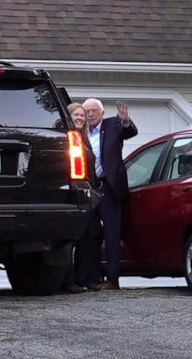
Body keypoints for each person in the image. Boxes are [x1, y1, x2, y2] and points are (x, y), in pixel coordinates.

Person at [82, 98, 138, 290]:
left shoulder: (113, 124)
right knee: (91, 233)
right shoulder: (81, 133)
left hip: (109, 186)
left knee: (112, 233)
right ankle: (95, 277)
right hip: (89, 187)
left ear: (102, 112)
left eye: (94, 111)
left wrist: (125, 121)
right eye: (87, 111)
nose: (90, 114)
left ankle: (112, 280)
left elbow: (129, 131)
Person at [61, 102, 103, 293]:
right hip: (69, 194)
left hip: (89, 196)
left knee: (91, 236)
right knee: (69, 241)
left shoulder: (84, 139)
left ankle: (84, 278)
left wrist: (96, 188)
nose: (80, 118)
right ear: (68, 117)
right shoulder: (65, 139)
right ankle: (67, 281)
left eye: (82, 116)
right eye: (76, 115)